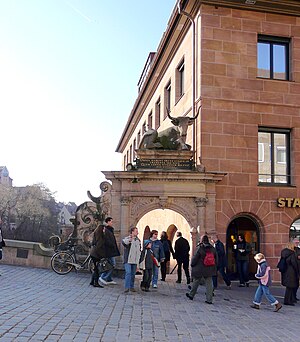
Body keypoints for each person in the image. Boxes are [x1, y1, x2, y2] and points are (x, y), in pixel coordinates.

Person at [186, 235, 218, 304]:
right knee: (209, 284)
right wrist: (215, 267)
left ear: (202, 240)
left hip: (200, 268)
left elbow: (195, 258)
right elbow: (216, 259)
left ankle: (191, 295)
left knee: (196, 281)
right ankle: (209, 299)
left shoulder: (200, 248)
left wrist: (192, 264)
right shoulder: (212, 248)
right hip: (209, 269)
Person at [99, 217, 120, 286]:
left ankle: (109, 279)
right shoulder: (106, 230)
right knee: (112, 265)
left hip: (111, 250)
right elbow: (106, 241)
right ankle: (103, 277)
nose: (112, 223)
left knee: (110, 264)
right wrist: (112, 245)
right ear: (107, 222)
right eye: (111, 221)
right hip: (108, 251)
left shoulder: (110, 230)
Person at [122, 227, 141, 293]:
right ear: (132, 232)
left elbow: (139, 251)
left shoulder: (138, 240)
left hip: (135, 260)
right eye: (136, 231)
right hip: (128, 259)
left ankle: (131, 286)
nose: (137, 232)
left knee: (133, 274)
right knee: (128, 272)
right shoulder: (127, 238)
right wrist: (130, 239)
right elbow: (124, 243)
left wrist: (138, 262)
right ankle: (126, 287)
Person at [89, 217, 105, 288]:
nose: (104, 230)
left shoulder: (96, 234)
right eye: (104, 229)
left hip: (93, 253)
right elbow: (99, 246)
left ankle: (92, 281)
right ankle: (96, 283)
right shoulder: (100, 237)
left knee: (95, 268)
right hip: (96, 254)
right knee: (97, 269)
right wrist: (102, 255)